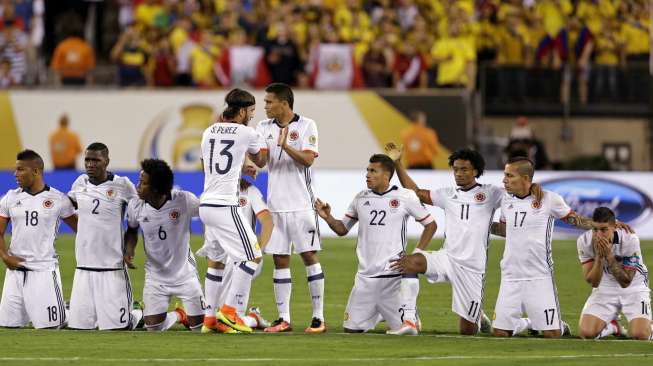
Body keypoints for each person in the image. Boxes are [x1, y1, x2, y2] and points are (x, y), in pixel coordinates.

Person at [489, 156, 630, 338]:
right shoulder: (505, 201)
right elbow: (506, 230)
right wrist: (483, 225)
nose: (504, 180)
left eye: (509, 175)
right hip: (510, 275)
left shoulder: (549, 199)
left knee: (552, 335)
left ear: (525, 178)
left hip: (540, 276)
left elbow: (576, 220)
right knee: (500, 333)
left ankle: (559, 326)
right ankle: (529, 323)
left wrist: (606, 225)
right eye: (504, 175)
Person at [386, 144, 514, 335]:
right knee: (410, 262)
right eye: (455, 169)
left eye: (464, 169)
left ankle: (479, 317)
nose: (459, 174)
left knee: (467, 331)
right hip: (447, 258)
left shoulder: (491, 193)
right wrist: (397, 163)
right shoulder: (447, 194)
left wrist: (533, 189)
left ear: (476, 171)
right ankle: (410, 322)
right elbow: (414, 192)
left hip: (472, 268)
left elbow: (517, 194)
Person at [315, 154, 436, 334]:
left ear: (386, 175)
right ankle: (379, 312)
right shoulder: (360, 198)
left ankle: (407, 315)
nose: (368, 175)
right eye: (367, 171)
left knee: (410, 331)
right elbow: (342, 229)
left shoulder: (405, 197)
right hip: (364, 279)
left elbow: (431, 225)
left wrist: (416, 253)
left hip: (392, 278)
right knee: (351, 330)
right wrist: (328, 217)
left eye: (373, 171)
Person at [256, 82, 325, 333]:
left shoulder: (307, 125)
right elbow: (262, 161)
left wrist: (285, 146)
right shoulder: (263, 127)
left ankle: (318, 318)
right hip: (275, 205)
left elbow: (308, 160)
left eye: (269, 102)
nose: (265, 106)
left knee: (308, 255)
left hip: (301, 204)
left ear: (284, 103)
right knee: (280, 259)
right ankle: (283, 318)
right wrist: (251, 153)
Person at [198, 88, 268, 333]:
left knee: (215, 262)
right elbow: (261, 161)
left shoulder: (208, 131)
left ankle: (209, 320)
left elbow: (206, 166)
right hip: (225, 205)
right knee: (252, 256)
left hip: (206, 203)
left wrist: (238, 169)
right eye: (250, 111)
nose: (251, 116)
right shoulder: (248, 132)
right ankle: (229, 312)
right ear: (240, 111)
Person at [67, 142, 143, 330]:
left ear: (107, 161)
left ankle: (137, 313)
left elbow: (134, 223)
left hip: (112, 268)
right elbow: (68, 210)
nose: (90, 164)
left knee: (118, 328)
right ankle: (73, 308)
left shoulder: (122, 185)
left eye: (96, 160)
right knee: (79, 328)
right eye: (87, 160)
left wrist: (129, 249)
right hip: (83, 266)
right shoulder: (79, 183)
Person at [124, 159, 205, 331]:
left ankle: (190, 313)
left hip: (185, 274)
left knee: (199, 328)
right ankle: (178, 315)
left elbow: (209, 212)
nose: (137, 186)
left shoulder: (184, 200)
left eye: (143, 183)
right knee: (154, 328)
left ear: (156, 187)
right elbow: (131, 230)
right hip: (156, 277)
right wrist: (129, 249)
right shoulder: (136, 205)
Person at [0, 149, 77, 328]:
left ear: (35, 171)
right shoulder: (10, 198)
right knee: (7, 327)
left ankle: (71, 309)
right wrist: (5, 256)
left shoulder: (58, 199)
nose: (15, 174)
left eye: (20, 169)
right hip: (15, 274)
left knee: (52, 326)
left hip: (43, 272)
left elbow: (80, 229)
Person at [198, 175, 273, 333]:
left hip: (243, 258)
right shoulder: (217, 192)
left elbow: (267, 220)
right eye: (249, 164)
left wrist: (260, 249)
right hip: (223, 259)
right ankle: (252, 318)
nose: (254, 169)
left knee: (229, 315)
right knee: (221, 312)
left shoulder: (250, 191)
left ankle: (248, 318)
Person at [577, 207, 652, 340]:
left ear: (614, 227)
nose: (598, 235)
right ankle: (613, 326)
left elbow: (626, 282)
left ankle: (647, 327)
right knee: (586, 333)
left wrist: (609, 256)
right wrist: (599, 259)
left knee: (640, 335)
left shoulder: (629, 239)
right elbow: (593, 282)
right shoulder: (584, 242)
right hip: (605, 286)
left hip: (634, 287)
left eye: (604, 230)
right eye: (595, 229)